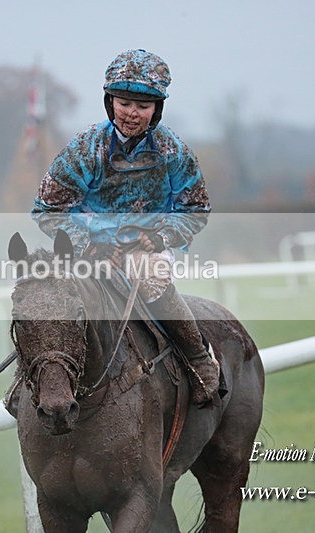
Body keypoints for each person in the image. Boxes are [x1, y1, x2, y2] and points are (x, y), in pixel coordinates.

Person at [29, 49, 220, 408]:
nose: (133, 113)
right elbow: (47, 209)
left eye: (143, 105)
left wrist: (159, 236)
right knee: (50, 292)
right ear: (110, 102)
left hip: (148, 248)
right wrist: (89, 244)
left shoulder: (173, 151)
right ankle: (30, 382)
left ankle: (198, 359)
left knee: (149, 276)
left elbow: (196, 210)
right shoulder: (85, 149)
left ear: (157, 109)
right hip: (89, 247)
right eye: (125, 102)